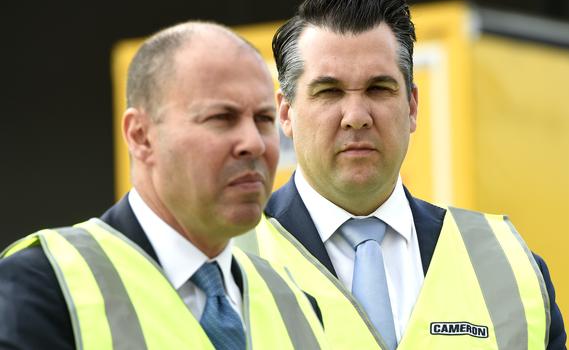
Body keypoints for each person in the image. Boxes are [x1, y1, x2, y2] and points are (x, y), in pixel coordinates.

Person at [247, 0, 567, 349]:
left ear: (412, 106)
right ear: (286, 114)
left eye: (379, 89)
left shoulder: (509, 270)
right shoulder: (227, 261)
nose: (356, 116)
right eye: (329, 91)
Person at [0, 22, 327, 350]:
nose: (254, 143)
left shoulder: (297, 305)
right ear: (140, 135)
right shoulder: (43, 287)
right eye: (221, 118)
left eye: (263, 119)